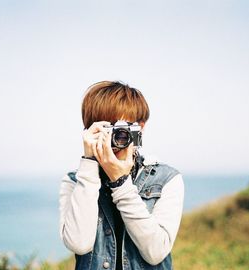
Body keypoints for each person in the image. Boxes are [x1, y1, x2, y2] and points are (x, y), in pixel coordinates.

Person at [59, 81, 184, 269]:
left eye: (123, 130)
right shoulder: (75, 181)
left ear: (140, 128)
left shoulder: (166, 179)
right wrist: (89, 163)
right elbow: (79, 243)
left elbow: (156, 252)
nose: (117, 138)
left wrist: (121, 182)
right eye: (107, 130)